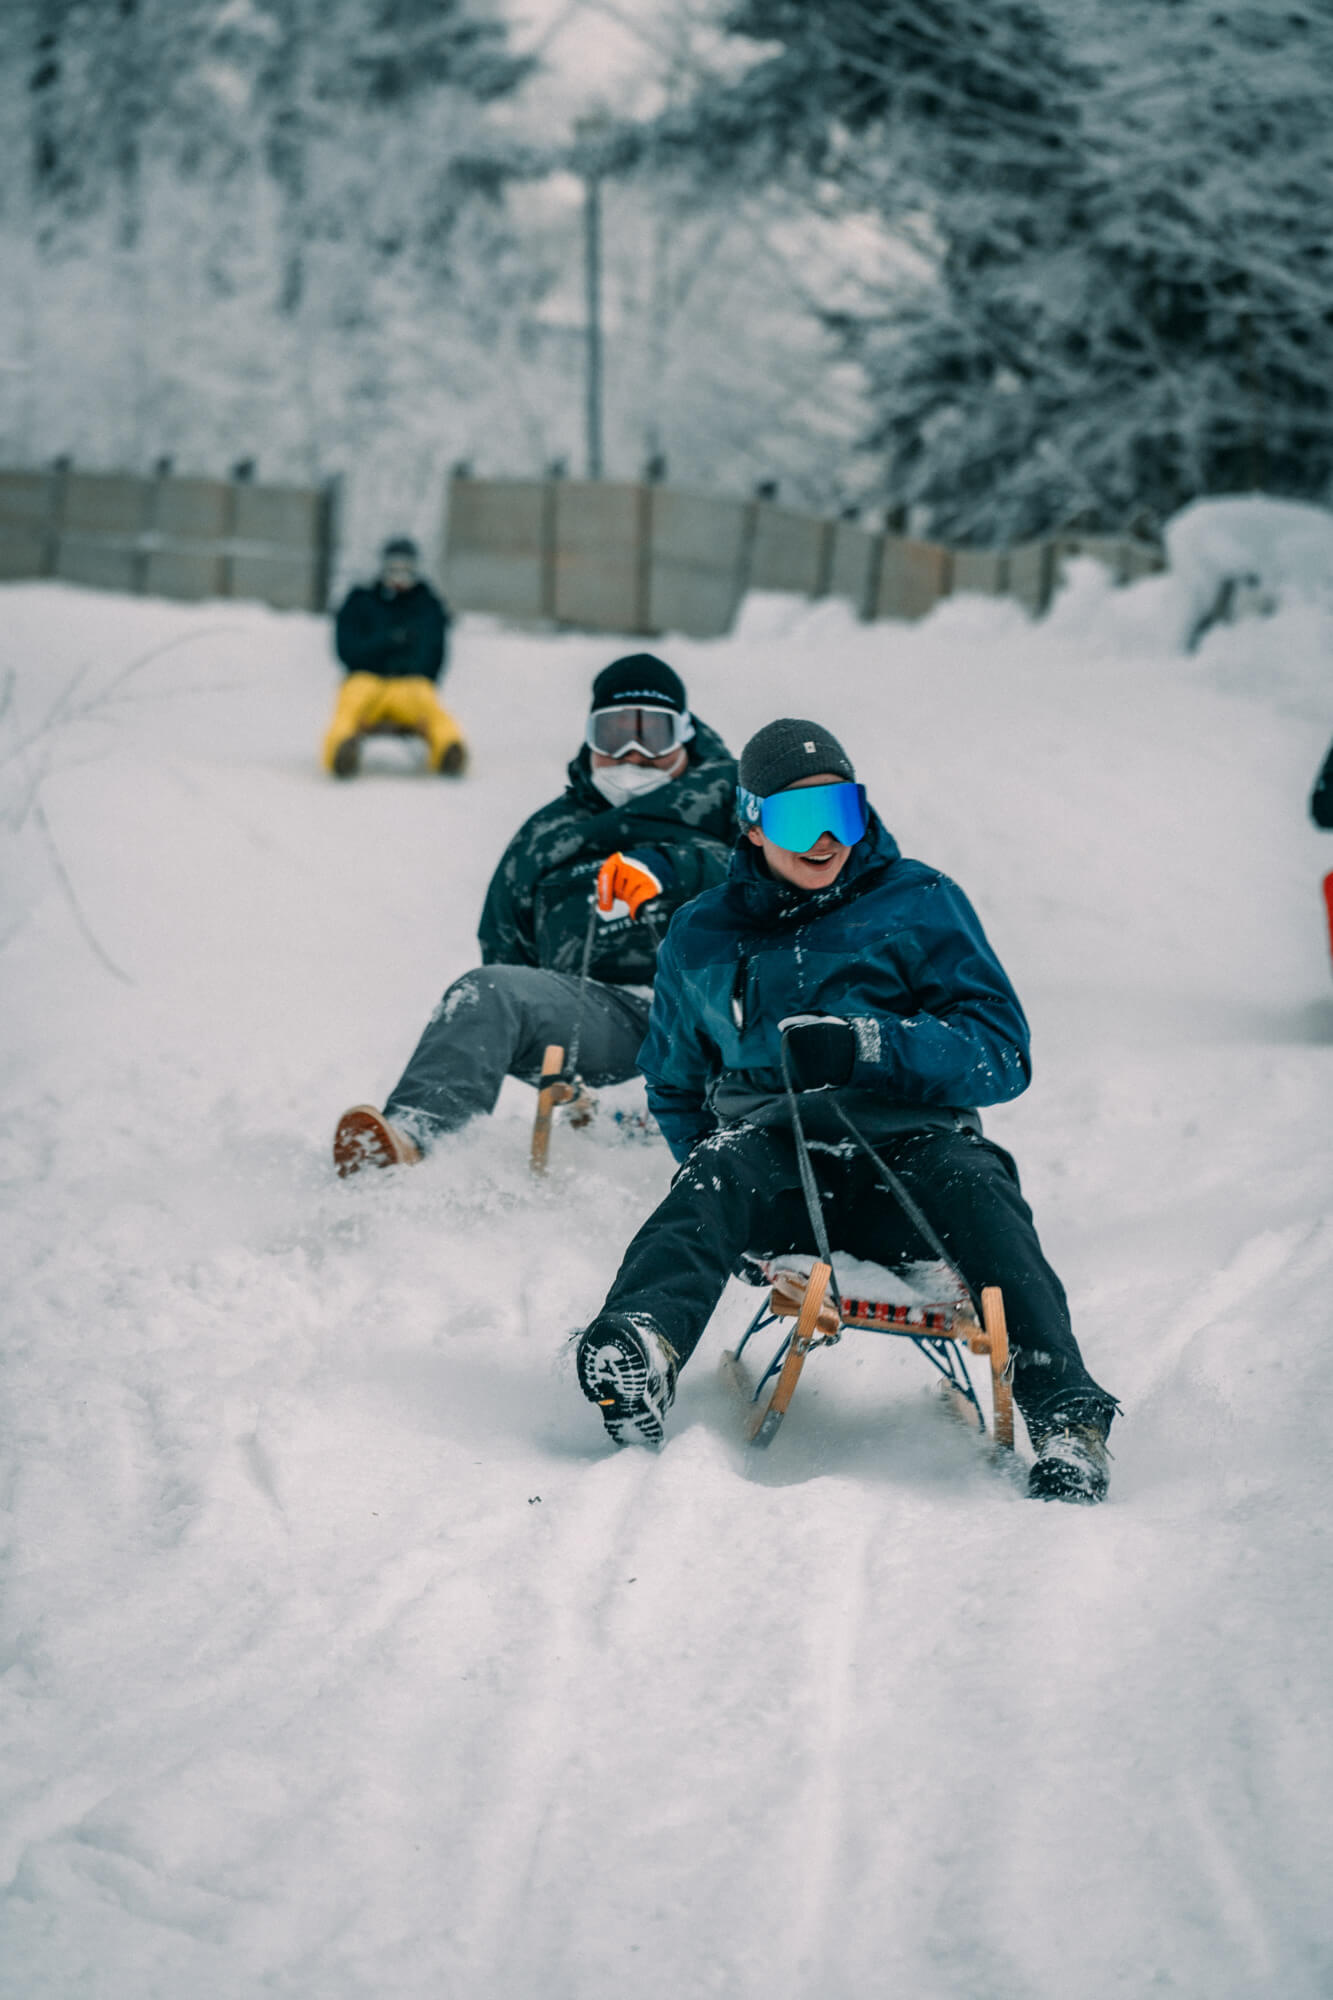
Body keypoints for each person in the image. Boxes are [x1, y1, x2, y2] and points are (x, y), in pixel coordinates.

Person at [573, 717, 1120, 1504]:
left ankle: (1067, 1420)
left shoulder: (919, 901)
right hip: (777, 1164)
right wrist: (719, 1170)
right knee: (711, 1176)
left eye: (843, 810)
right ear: (752, 822)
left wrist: (869, 1046)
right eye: (799, 817)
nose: (826, 837)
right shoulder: (702, 934)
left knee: (982, 1189)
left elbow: (1001, 1050)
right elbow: (671, 1082)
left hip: (912, 1157)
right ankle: (641, 1346)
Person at [332, 653, 737, 1172]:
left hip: (723, 1015)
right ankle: (416, 1141)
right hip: (614, 1017)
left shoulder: (740, 805)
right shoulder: (547, 836)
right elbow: (506, 948)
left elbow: (791, 879)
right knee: (490, 992)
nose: (633, 754)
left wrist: (676, 867)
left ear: (684, 736)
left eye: (652, 734)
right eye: (614, 734)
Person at [322, 536, 466, 778]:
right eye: (394, 567)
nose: (399, 575)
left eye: (406, 568)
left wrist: (407, 664)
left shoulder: (427, 605)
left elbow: (433, 654)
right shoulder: (361, 601)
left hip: (409, 685)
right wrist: (389, 641)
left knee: (431, 708)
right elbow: (347, 649)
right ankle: (340, 752)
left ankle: (449, 752)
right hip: (366, 681)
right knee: (348, 706)